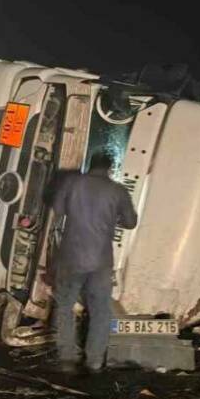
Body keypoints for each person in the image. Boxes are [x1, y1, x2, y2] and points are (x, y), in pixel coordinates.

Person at [51, 151, 138, 373]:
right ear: (110, 167)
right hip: (100, 259)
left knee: (65, 306)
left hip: (71, 255)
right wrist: (112, 217)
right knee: (100, 310)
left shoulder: (72, 183)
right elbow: (130, 222)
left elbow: (58, 211)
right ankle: (95, 360)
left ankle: (67, 357)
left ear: (90, 164)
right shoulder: (117, 190)